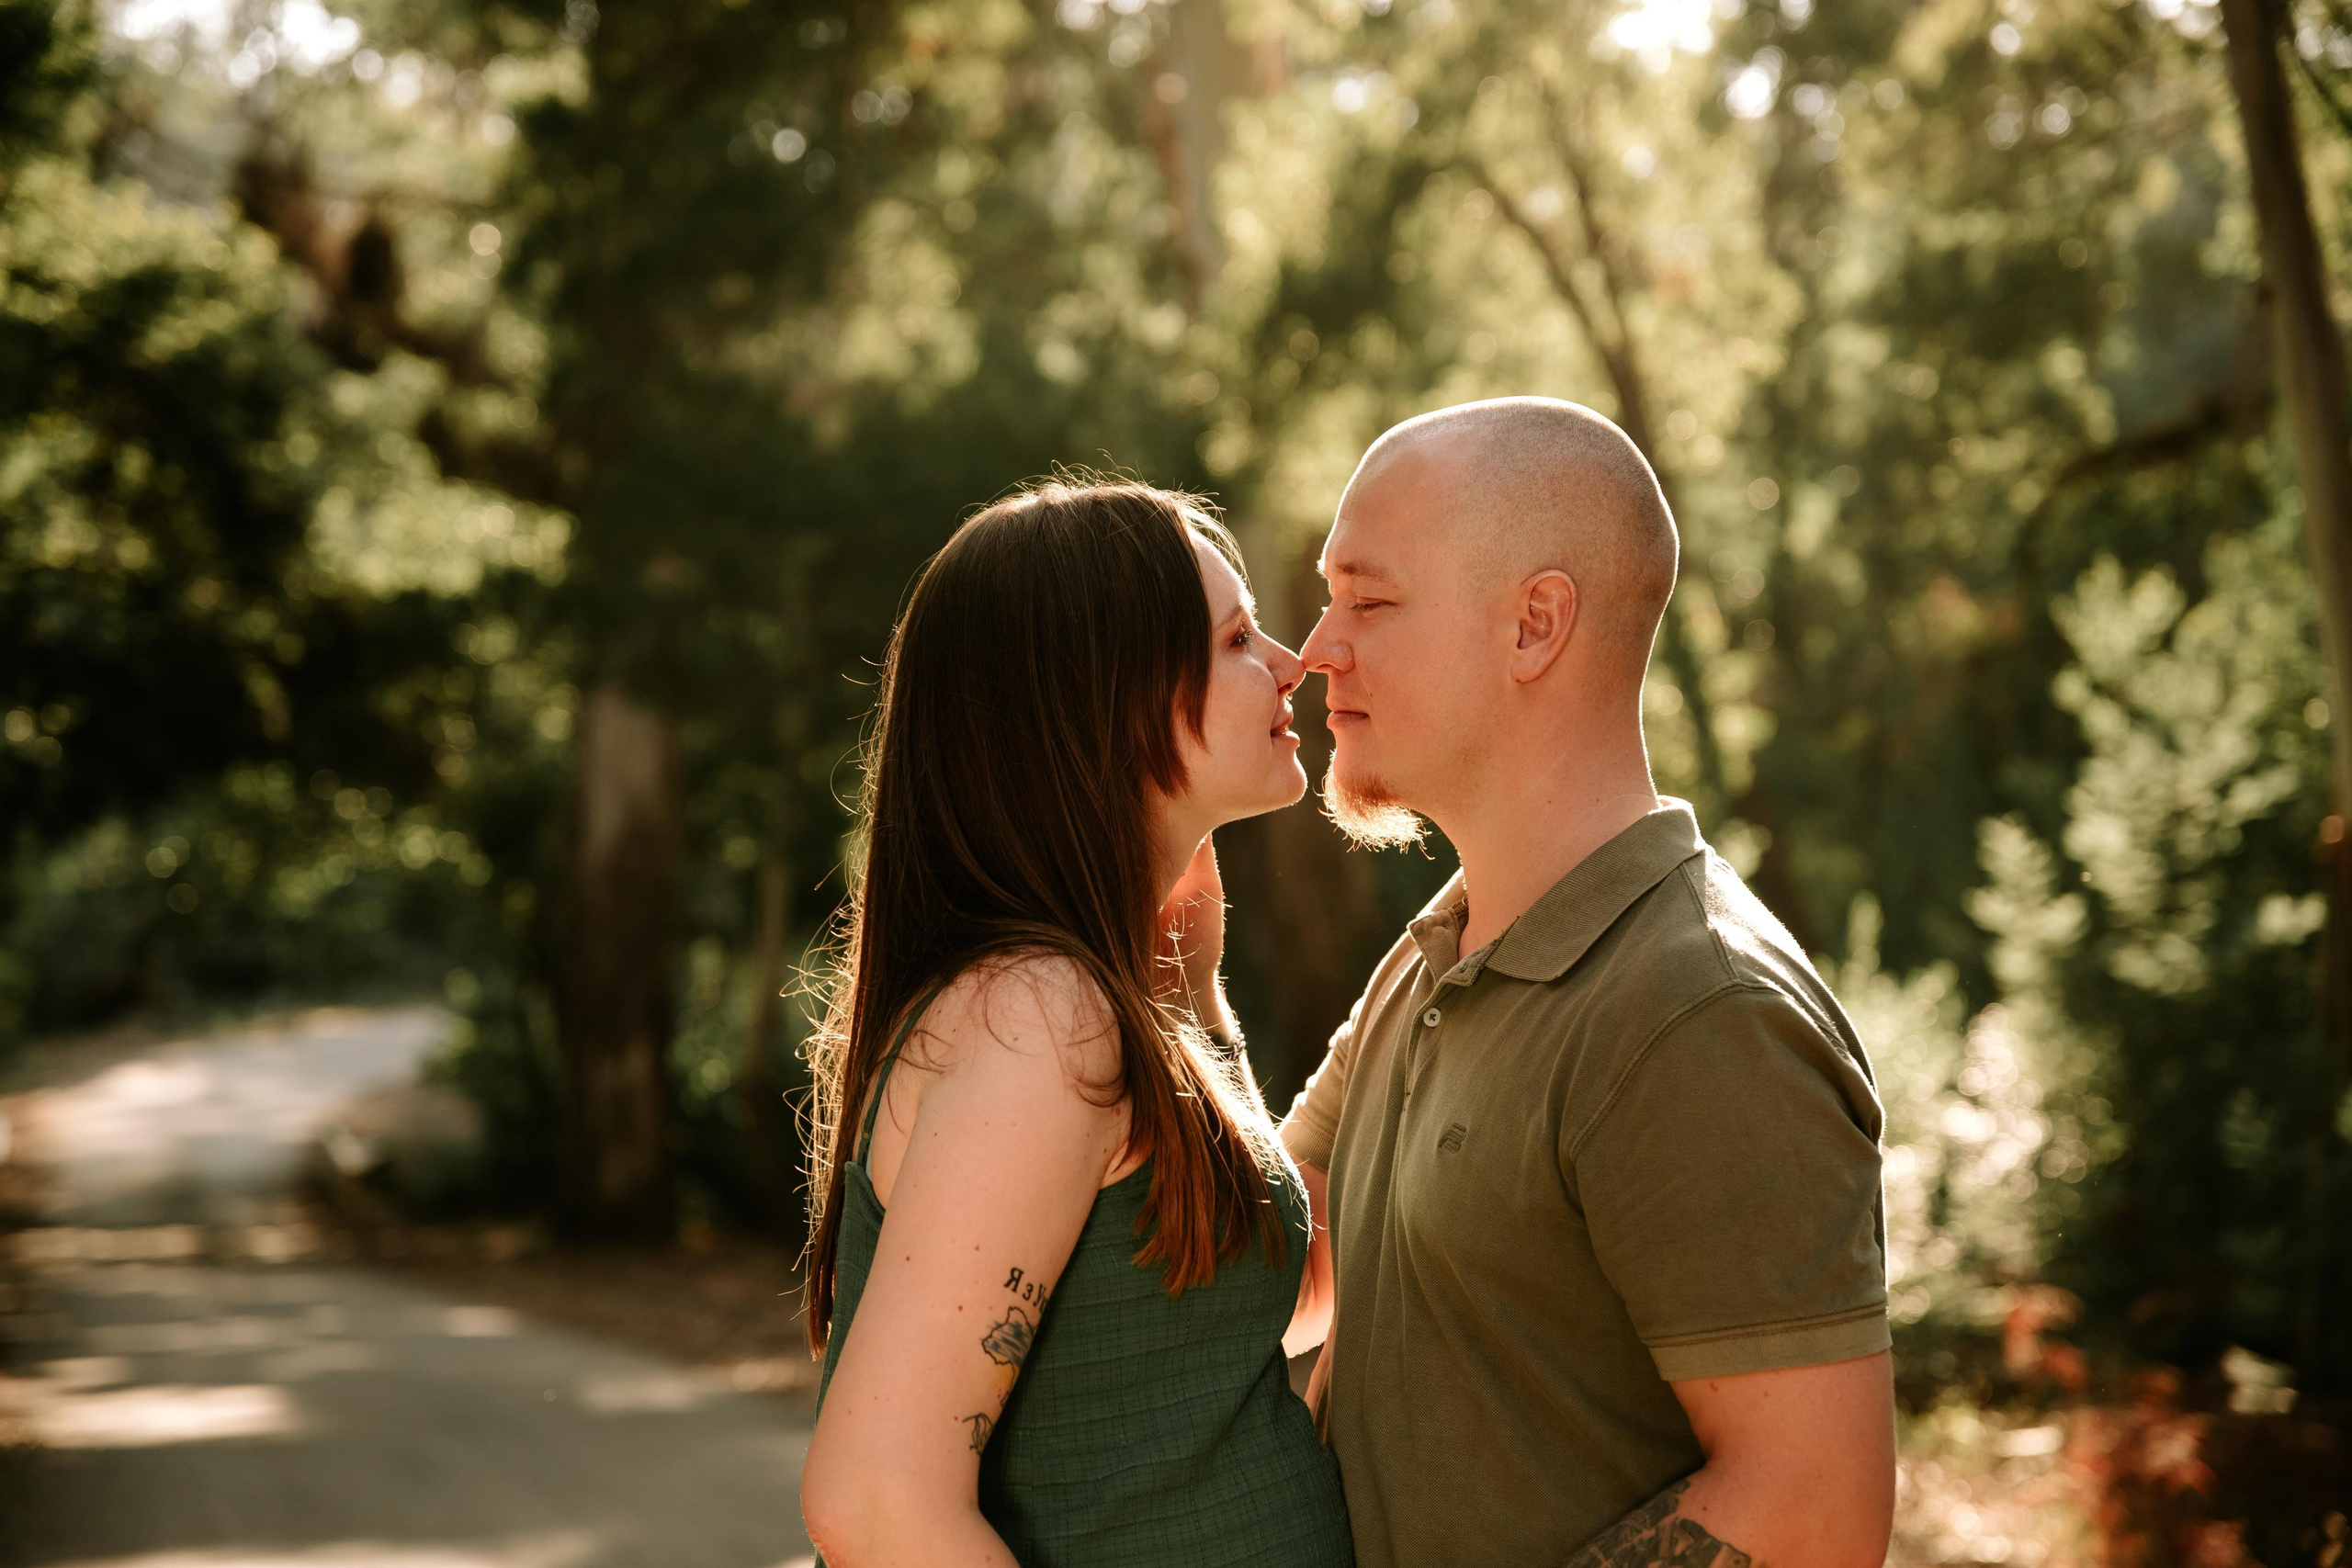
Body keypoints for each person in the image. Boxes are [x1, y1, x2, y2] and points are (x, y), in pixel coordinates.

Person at [1279, 398, 1896, 1568]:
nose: (1318, 647)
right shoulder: (1438, 955)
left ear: (1534, 625)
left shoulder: (1697, 1011)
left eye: (1368, 598)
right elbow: (1281, 1269)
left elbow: (1815, 1512)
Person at [797, 479, 1352, 1567]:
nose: (1292, 663)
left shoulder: (1102, 1002)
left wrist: (1198, 998)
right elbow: (873, 1499)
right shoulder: (1038, 1023)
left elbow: (1218, 1328)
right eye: (1238, 636)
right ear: (1109, 701)